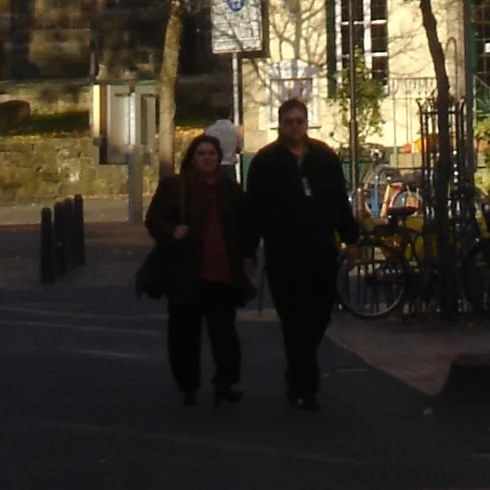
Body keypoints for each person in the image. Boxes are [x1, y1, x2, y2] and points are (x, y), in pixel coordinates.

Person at [242, 96, 359, 412]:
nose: (294, 127)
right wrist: (248, 251)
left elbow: (339, 202)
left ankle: (297, 370)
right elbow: (253, 210)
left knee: (319, 316)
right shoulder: (266, 162)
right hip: (284, 252)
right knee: (294, 319)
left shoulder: (324, 158)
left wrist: (351, 240)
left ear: (306, 123)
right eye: (289, 121)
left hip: (321, 250)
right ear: (280, 124)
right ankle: (307, 388)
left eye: (299, 121)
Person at [146, 133, 253, 405]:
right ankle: (188, 384)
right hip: (185, 272)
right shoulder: (176, 187)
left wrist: (247, 256)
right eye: (202, 154)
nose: (207, 159)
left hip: (222, 272)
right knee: (184, 334)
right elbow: (154, 220)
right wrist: (172, 232)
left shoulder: (230, 189)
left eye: (212, 154)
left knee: (224, 333)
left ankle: (226, 381)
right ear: (193, 158)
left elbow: (245, 225)